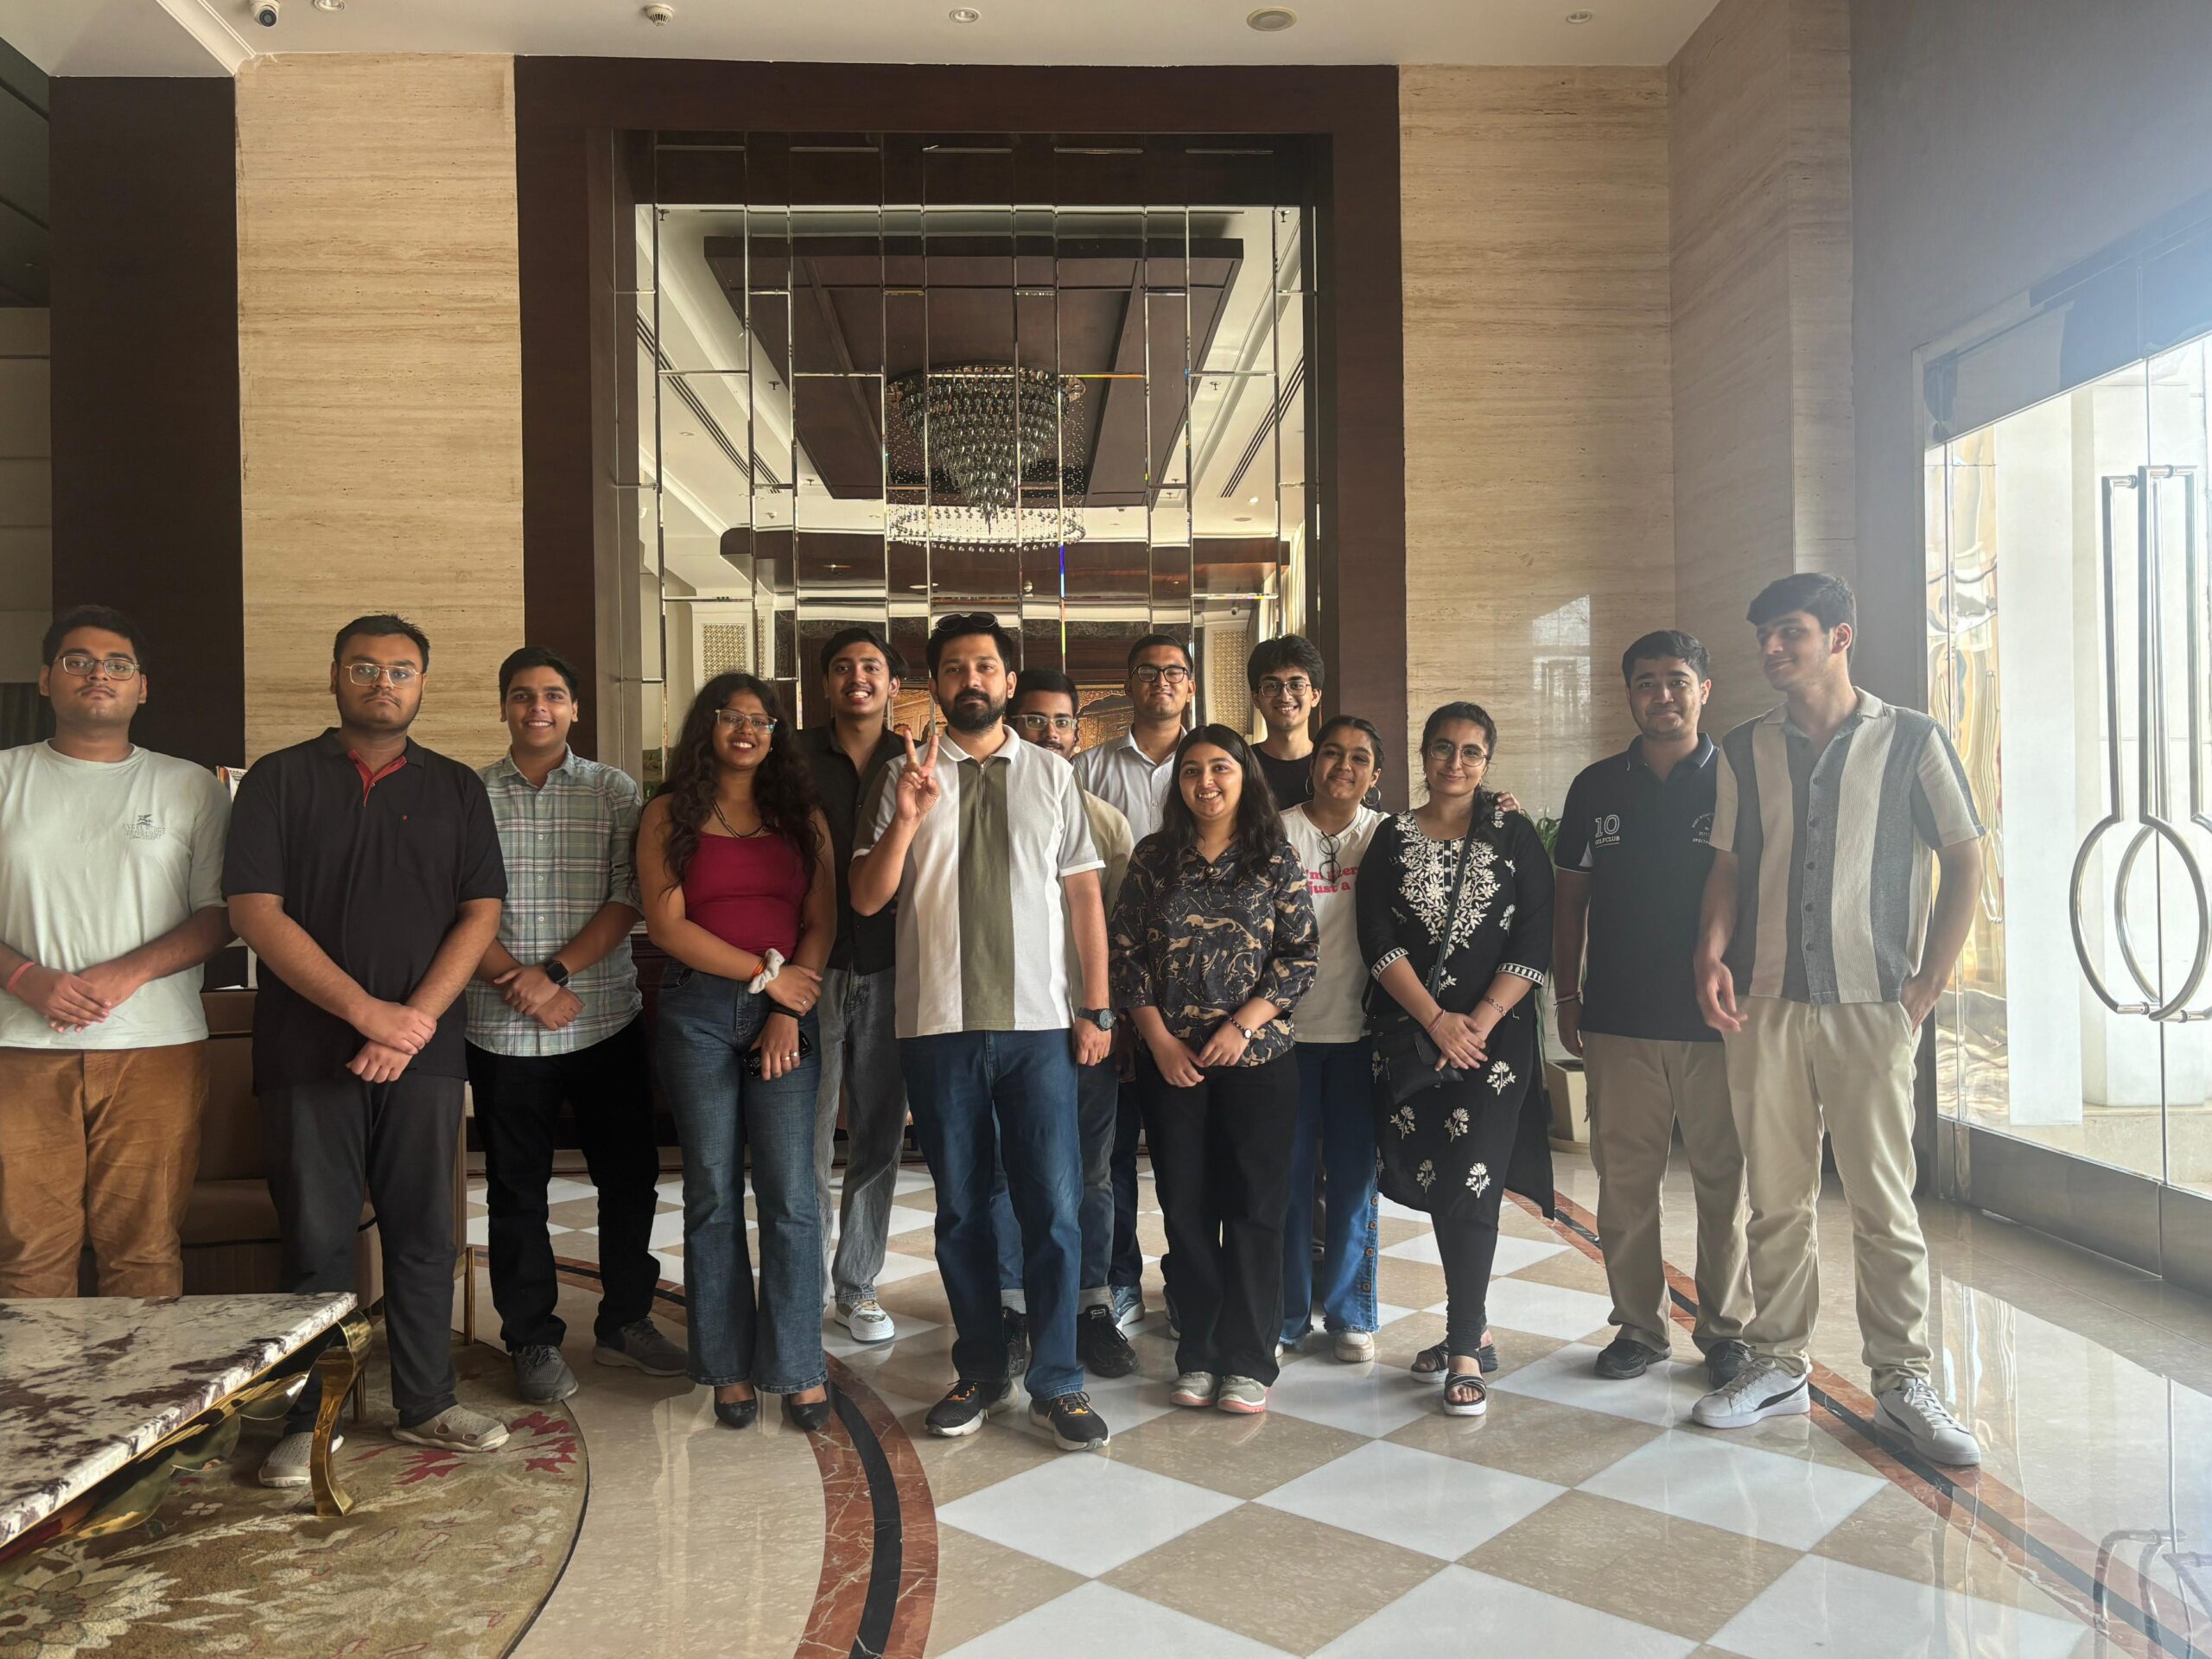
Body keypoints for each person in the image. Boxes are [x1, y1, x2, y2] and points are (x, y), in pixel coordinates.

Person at [1692, 573, 1986, 1466]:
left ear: (1839, 637)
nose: (1772, 650)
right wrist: (1710, 953)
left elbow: (1966, 856)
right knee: (1776, 1196)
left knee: (1881, 1199)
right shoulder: (1744, 747)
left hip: (1872, 1002)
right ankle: (1778, 1363)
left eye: (1790, 632)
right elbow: (1729, 865)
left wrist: (1927, 983)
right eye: (1765, 636)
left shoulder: (1913, 739)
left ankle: (1903, 1380)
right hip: (1766, 1001)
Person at [226, 614, 510, 1484]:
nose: (383, 683)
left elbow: (481, 914)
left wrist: (412, 1022)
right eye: (365, 668)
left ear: (422, 684)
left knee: (425, 1235)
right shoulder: (278, 780)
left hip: (425, 1053)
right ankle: (311, 1419)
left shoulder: (456, 787)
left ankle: (427, 1403)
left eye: (400, 670)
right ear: (335, 677)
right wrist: (367, 1014)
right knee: (316, 1244)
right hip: (307, 1051)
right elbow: (254, 911)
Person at [850, 613, 1116, 1452]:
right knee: (962, 1210)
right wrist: (906, 815)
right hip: (937, 1024)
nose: (972, 680)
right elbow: (866, 898)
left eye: (986, 667)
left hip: (1039, 1026)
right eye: (956, 668)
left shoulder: (1051, 774)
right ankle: (981, 1369)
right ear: (935, 685)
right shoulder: (903, 774)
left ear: (1007, 680)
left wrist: (1097, 1007)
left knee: (1053, 1209)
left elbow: (1082, 896)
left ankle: (1059, 1381)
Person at [464, 645, 688, 1405]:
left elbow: (631, 895)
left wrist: (553, 975)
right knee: (515, 1190)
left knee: (628, 1180)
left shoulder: (613, 790)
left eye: (553, 695)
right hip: (501, 1029)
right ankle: (530, 1338)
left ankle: (626, 1321)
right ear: (504, 705)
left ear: (575, 708)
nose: (538, 708)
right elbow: (452, 905)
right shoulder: (469, 795)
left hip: (601, 1019)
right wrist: (519, 985)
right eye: (523, 695)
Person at [0, 606, 233, 1299]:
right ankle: (41, 1381)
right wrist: (24, 976)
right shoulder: (5, 778)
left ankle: (143, 1380)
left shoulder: (191, 786)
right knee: (28, 1258)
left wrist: (128, 973)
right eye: (78, 661)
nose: (98, 674)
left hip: (155, 1046)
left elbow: (220, 914)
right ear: (46, 679)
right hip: (18, 1049)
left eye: (118, 664)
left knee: (145, 1254)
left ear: (142, 687)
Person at [639, 673, 836, 1433]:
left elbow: (821, 920)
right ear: (707, 727)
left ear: (777, 735)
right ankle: (726, 1368)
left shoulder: (801, 817)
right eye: (731, 717)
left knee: (791, 1193)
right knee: (713, 1192)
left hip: (786, 1013)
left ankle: (797, 1367)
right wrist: (764, 975)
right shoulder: (669, 813)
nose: (747, 730)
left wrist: (785, 1004)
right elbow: (667, 926)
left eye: (762, 720)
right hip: (697, 1011)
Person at [1554, 631, 1751, 1388]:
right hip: (1619, 1016)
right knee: (1625, 1183)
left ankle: (1726, 1331)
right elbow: (1571, 899)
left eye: (1677, 680)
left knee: (1723, 1181)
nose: (1662, 695)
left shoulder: (1737, 781)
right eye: (1646, 682)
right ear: (1629, 694)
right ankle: (1639, 1326)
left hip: (1717, 1020)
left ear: (1705, 690)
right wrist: (1567, 994)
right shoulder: (1595, 787)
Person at [1358, 702, 1553, 1419]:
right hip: (1416, 1038)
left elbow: (1534, 940)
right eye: (1443, 748)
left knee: (1474, 1177)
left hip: (1493, 1046)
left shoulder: (1513, 834)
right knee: (1441, 1177)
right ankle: (1474, 1327)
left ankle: (1465, 1346)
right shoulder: (1392, 836)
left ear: (1487, 762)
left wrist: (1477, 1024)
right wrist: (1437, 1021)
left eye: (1472, 751)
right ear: (1423, 754)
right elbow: (1376, 938)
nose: (1456, 762)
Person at [1115, 725, 1318, 1414]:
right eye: (1192, 770)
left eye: (1221, 768)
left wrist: (1241, 1025)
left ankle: (1251, 1359)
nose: (1206, 782)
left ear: (1244, 776)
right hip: (1173, 1065)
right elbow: (1125, 956)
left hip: (1258, 1060)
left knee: (1257, 1211)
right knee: (1187, 1209)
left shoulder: (1274, 857)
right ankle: (1198, 1353)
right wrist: (1159, 1042)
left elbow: (1299, 956)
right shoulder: (1154, 856)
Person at [988, 667, 1138, 1380]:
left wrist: (1105, 1016)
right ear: (1011, 724)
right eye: (1034, 720)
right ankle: (1011, 1307)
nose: (1049, 733)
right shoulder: (985, 805)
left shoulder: (1106, 822)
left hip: (1083, 1028)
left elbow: (1122, 935)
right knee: (1004, 1170)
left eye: (1061, 722)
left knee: (1090, 1172)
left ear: (1080, 734)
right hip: (1009, 1025)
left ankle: (1090, 1305)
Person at [1071, 632, 1194, 1325]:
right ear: (1128, 684)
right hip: (1114, 981)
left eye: (1174, 672)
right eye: (1148, 671)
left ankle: (1187, 1282)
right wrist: (1108, 1006)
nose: (1161, 681)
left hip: (1196, 991)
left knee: (1185, 1151)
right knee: (1112, 1149)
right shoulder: (1088, 769)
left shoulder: (1212, 763)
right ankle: (1119, 1279)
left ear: (1190, 686)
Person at [798, 626, 911, 1346]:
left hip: (896, 964)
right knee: (805, 1135)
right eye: (842, 668)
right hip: (811, 966)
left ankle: (858, 1284)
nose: (857, 678)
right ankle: (804, 1285)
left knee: (879, 1133)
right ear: (826, 684)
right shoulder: (792, 757)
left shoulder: (919, 758)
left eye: (871, 667)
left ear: (893, 685)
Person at [1276, 716, 1387, 1363]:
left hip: (1361, 1033)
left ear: (1376, 773)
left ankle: (1351, 1312)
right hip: (1283, 1035)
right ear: (1313, 763)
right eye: (1332, 753)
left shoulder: (1388, 835)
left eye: (1360, 757)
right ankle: (1286, 1315)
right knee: (1285, 1182)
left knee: (1352, 1180)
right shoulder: (1274, 831)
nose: (1344, 766)